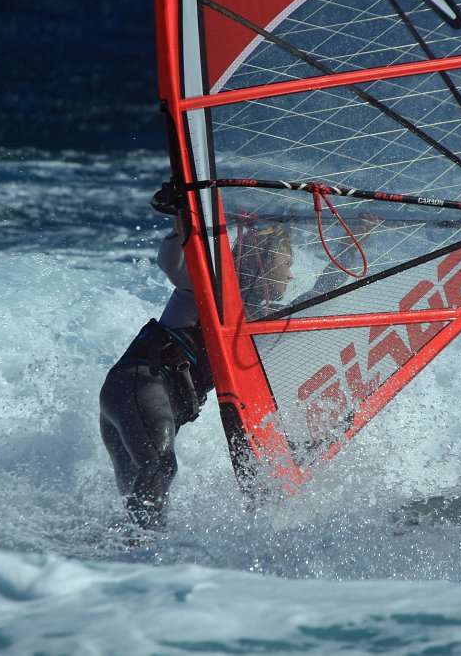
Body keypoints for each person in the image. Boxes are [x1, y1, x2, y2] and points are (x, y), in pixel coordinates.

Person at [100, 200, 376, 530]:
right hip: (139, 385)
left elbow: (320, 293)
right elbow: (171, 263)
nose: (290, 274)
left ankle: (121, 558)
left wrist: (352, 242)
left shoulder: (259, 321)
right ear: (263, 262)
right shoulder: (207, 288)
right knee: (160, 469)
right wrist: (181, 225)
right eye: (286, 263)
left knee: (140, 500)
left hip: (132, 404)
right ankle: (144, 561)